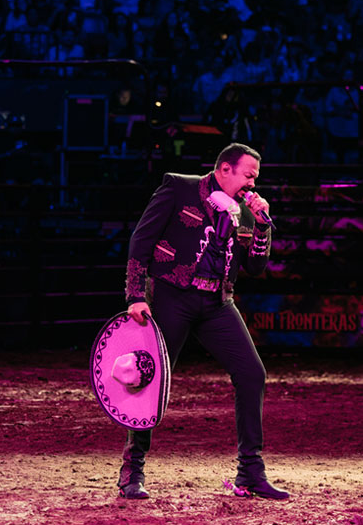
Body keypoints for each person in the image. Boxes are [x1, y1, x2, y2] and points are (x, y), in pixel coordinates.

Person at [119, 143, 286, 501]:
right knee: (151, 380)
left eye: (255, 177)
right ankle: (132, 470)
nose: (252, 183)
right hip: (171, 296)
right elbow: (141, 241)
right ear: (224, 169)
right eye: (248, 175)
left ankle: (250, 473)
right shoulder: (179, 187)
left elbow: (255, 268)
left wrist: (261, 226)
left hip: (216, 302)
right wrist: (135, 296)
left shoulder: (244, 209)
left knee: (252, 373)